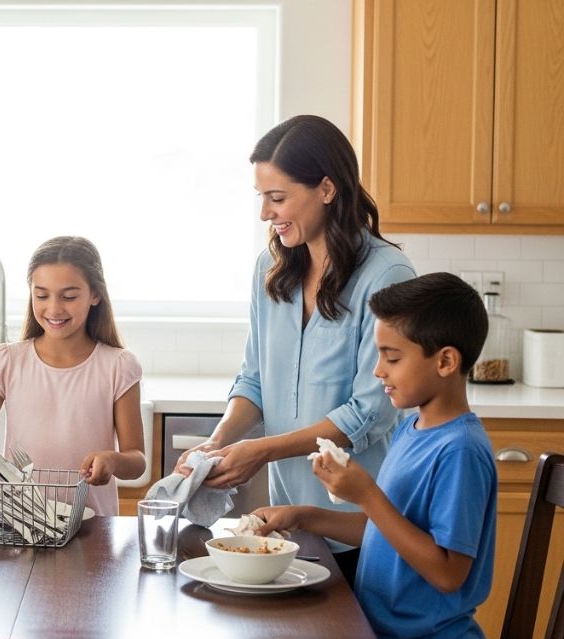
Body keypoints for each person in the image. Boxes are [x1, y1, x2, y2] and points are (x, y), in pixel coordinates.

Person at [174, 115, 416, 585]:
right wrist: (220, 439)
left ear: (327, 189)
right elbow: (255, 380)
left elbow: (369, 412)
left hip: (360, 525)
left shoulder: (387, 275)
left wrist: (260, 451)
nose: (265, 213)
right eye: (261, 197)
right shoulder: (271, 268)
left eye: (277, 197)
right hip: (291, 524)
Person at [254, 272, 497, 639]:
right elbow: (387, 530)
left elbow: (448, 573)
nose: (378, 369)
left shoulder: (460, 450)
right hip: (375, 636)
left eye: (392, 357)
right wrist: (302, 517)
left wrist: (366, 493)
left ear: (446, 361)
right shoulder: (410, 429)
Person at [0, 236, 145, 516]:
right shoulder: (7, 361)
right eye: (42, 295)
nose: (54, 308)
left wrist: (112, 461)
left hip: (91, 526)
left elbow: (137, 461)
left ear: (95, 295)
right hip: (19, 522)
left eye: (69, 296)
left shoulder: (118, 366)